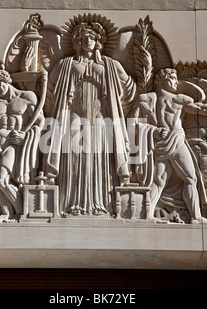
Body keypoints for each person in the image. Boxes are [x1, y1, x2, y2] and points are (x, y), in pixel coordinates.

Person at [42, 20, 137, 216]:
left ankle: (100, 204)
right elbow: (50, 90)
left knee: (99, 156)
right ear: (77, 41)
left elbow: (129, 88)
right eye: (84, 38)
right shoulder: (66, 64)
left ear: (98, 41)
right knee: (75, 156)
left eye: (92, 38)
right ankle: (71, 204)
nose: (88, 41)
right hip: (74, 114)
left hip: (101, 116)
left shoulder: (110, 65)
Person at [131, 68, 207, 223]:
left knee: (161, 180)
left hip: (166, 141)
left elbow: (202, 108)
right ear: (162, 80)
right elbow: (132, 124)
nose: (177, 82)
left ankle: (187, 216)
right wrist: (154, 131)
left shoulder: (175, 99)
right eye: (173, 78)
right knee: (187, 178)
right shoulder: (151, 99)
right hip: (170, 141)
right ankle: (190, 217)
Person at [0, 69, 41, 221]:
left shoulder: (27, 97)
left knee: (1, 179)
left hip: (13, 144)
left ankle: (22, 210)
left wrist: (25, 136)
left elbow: (40, 122)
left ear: (6, 80)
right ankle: (7, 212)